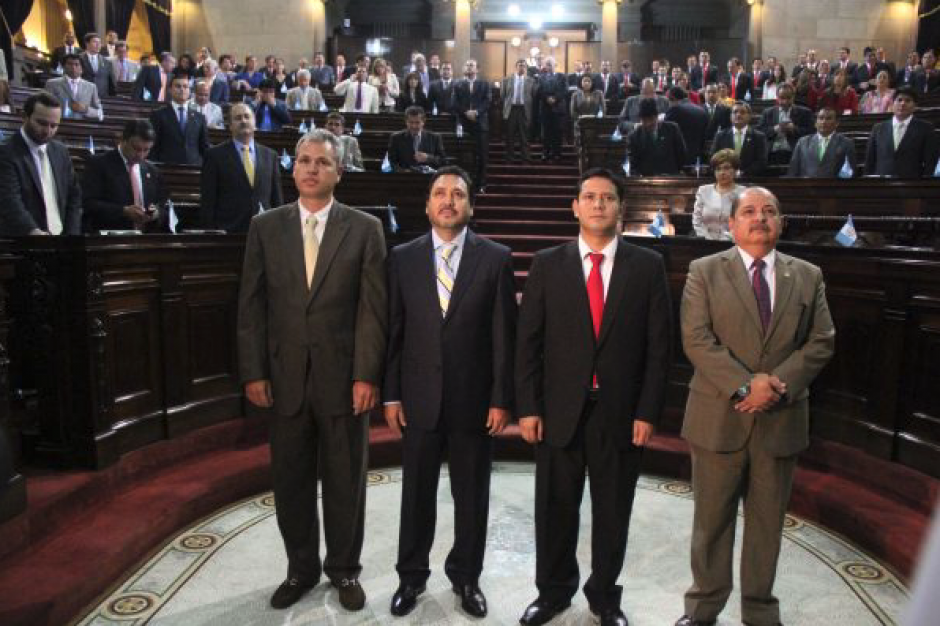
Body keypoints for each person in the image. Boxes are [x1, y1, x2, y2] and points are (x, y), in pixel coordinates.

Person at [516, 167, 672, 626]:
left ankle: (605, 596)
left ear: (620, 207)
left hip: (621, 414)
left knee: (612, 512)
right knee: (555, 510)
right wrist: (527, 406)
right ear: (575, 207)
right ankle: (553, 592)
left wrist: (648, 411)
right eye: (589, 196)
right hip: (559, 411)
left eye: (607, 197)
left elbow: (659, 348)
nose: (598, 203)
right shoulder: (549, 263)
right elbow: (528, 343)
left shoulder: (647, 266)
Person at [238, 128, 387, 612]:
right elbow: (252, 306)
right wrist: (254, 371)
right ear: (292, 167)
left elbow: (373, 310)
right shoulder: (266, 227)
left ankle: (344, 570)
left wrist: (367, 374)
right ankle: (300, 568)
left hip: (345, 380)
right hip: (283, 379)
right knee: (291, 480)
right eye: (303, 160)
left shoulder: (365, 228)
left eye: (321, 162)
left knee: (346, 481)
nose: (310, 169)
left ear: (339, 172)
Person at [675, 187, 835, 626]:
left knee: (767, 526)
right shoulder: (704, 271)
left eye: (769, 212)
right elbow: (696, 339)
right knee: (711, 523)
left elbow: (822, 341)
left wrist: (774, 387)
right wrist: (746, 387)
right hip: (717, 420)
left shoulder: (808, 275)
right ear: (731, 224)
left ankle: (760, 611)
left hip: (780, 420)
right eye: (748, 211)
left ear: (781, 223)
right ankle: (703, 607)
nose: (759, 218)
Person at [384, 165, 516, 620]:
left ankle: (466, 577)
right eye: (439, 193)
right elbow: (394, 333)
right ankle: (410, 578)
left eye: (457, 194)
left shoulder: (496, 257)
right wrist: (391, 396)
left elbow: (503, 337)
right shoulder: (401, 257)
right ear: (427, 204)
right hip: (418, 398)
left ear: (470, 205)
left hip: (475, 403)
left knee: (472, 496)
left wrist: (502, 399)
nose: (448, 200)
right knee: (416, 494)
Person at [0, 92, 82, 236]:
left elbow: (73, 196)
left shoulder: (60, 151)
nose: (48, 131)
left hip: (61, 241)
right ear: (25, 117)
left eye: (54, 125)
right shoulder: (6, 152)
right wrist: (33, 232)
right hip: (23, 242)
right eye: (42, 123)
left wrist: (71, 236)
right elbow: (9, 200)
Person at [200, 102, 283, 233]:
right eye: (238, 118)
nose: (243, 121)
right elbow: (208, 200)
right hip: (228, 231)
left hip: (264, 230)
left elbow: (276, 199)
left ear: (255, 122)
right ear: (230, 126)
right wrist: (211, 232)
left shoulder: (270, 156)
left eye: (247, 116)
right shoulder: (214, 156)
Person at [81, 119, 167, 232]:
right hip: (108, 238)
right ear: (123, 140)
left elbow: (163, 205)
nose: (141, 155)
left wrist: (156, 213)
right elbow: (88, 203)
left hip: (145, 240)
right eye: (136, 149)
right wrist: (123, 211)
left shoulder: (153, 171)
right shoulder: (99, 164)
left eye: (146, 150)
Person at [865, 87, 940, 178]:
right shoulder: (878, 129)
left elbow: (930, 163)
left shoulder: (926, 128)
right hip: (882, 186)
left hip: (913, 186)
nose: (902, 103)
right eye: (899, 100)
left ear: (915, 106)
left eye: (908, 101)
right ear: (892, 104)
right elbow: (870, 161)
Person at [149, 72, 210, 166]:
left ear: (190, 91)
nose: (182, 89)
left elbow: (204, 147)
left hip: (194, 168)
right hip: (167, 167)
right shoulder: (158, 115)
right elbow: (153, 146)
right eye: (178, 86)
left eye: (185, 87)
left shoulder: (200, 117)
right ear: (170, 90)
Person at [453, 59, 492, 191]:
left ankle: (481, 183)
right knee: (464, 154)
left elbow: (487, 102)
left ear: (477, 69)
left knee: (482, 155)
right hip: (463, 123)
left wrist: (476, 112)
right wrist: (466, 112)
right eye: (467, 65)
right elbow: (454, 103)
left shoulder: (484, 84)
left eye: (472, 65)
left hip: (480, 123)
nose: (469, 67)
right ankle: (464, 182)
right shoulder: (458, 84)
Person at [787, 107, 858, 178]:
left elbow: (850, 173)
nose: (823, 122)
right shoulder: (802, 142)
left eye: (828, 119)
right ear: (815, 123)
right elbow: (793, 171)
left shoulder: (846, 143)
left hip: (835, 187)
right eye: (821, 118)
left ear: (836, 123)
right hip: (807, 187)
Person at [692, 149, 745, 240]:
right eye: (718, 169)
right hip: (704, 242)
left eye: (726, 168)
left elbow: (744, 222)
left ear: (735, 170)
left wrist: (726, 240)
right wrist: (708, 240)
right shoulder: (704, 190)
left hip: (733, 242)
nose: (722, 173)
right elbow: (697, 221)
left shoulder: (744, 193)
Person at [758, 83, 814, 166]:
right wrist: (774, 129)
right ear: (777, 97)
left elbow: (811, 133)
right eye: (782, 98)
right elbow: (759, 132)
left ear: (793, 97)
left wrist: (794, 129)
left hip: (794, 152)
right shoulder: (768, 112)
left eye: (788, 98)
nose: (785, 102)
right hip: (771, 153)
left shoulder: (805, 112)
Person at [627, 98, 687, 176]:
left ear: (657, 116)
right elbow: (633, 164)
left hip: (671, 177)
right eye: (644, 120)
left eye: (651, 119)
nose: (648, 123)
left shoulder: (672, 129)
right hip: (647, 181)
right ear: (640, 119)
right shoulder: (634, 136)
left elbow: (681, 154)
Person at [711, 102, 767, 177]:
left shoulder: (759, 137)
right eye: (735, 112)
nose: (738, 115)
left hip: (750, 180)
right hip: (725, 178)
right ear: (730, 116)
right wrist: (726, 172)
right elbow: (713, 158)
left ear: (749, 116)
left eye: (742, 112)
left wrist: (742, 173)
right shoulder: (720, 136)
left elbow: (761, 162)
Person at [387, 106, 447, 172]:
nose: (414, 126)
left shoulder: (435, 137)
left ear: (423, 122)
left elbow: (443, 161)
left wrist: (428, 158)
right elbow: (391, 162)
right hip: (404, 178)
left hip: (428, 178)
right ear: (406, 121)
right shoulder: (396, 138)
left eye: (417, 122)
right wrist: (402, 171)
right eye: (411, 122)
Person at [43, 54, 103, 120]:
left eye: (77, 64)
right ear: (64, 67)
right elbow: (44, 107)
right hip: (58, 124)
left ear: (82, 69)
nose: (73, 67)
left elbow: (100, 113)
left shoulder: (91, 87)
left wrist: (85, 109)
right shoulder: (52, 84)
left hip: (82, 126)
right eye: (70, 64)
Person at [501, 59, 537, 162]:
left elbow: (534, 95)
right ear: (516, 67)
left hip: (524, 110)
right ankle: (509, 157)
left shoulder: (531, 81)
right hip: (511, 109)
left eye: (524, 66)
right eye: (520, 65)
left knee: (524, 135)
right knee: (509, 134)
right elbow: (503, 95)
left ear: (526, 68)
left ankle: (525, 157)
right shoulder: (506, 79)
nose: (522, 67)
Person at [664, 86, 709, 166]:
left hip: (678, 158)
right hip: (698, 158)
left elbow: (665, 134)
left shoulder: (674, 110)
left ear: (672, 98)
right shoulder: (702, 111)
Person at [536, 57, 567, 162]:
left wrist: (555, 99)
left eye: (550, 64)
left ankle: (557, 153)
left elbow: (564, 91)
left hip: (558, 108)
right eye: (547, 64)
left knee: (557, 132)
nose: (549, 66)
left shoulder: (562, 76)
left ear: (555, 64)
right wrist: (547, 99)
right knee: (546, 133)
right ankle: (546, 152)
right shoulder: (541, 77)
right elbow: (539, 91)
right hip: (545, 108)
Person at [79, 32, 116, 97]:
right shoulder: (78, 59)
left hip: (102, 97)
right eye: (95, 42)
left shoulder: (107, 62)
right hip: (83, 96)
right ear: (87, 44)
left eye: (99, 42)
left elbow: (111, 83)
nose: (98, 45)